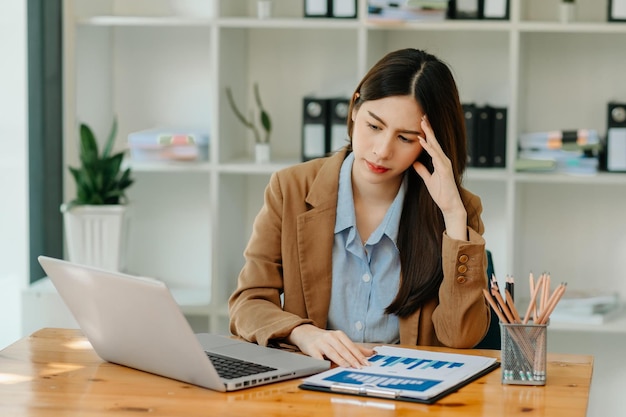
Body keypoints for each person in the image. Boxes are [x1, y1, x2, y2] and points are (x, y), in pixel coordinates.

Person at [229, 48, 490, 369]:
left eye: (406, 138)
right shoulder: (290, 189)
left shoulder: (458, 210)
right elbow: (248, 303)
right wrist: (302, 332)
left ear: (430, 145)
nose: (382, 151)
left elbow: (461, 337)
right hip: (309, 386)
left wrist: (453, 216)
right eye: (374, 126)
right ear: (354, 108)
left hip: (407, 392)